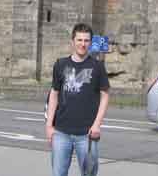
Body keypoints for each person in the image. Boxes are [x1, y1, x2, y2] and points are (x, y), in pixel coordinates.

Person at [45, 23, 110, 176]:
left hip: (87, 134)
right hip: (61, 132)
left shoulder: (97, 66)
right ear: (72, 41)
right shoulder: (60, 65)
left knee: (89, 174)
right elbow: (54, 94)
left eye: (86, 40)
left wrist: (97, 125)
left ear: (91, 42)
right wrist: (49, 126)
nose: (82, 44)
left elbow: (105, 96)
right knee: (58, 173)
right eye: (79, 40)